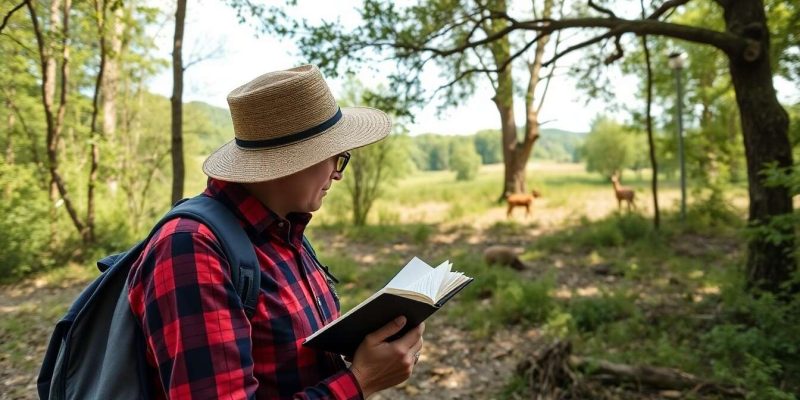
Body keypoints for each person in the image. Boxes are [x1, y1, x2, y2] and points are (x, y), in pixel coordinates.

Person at [126, 64, 425, 399]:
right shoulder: (191, 248)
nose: (338, 174)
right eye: (337, 157)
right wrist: (360, 381)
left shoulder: (282, 231)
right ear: (294, 160)